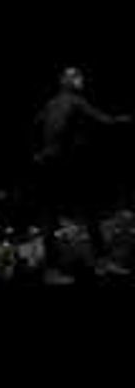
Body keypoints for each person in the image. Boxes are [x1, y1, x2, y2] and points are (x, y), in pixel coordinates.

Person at [34, 66, 131, 283]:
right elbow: (105, 122)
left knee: (51, 216)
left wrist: (40, 153)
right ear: (69, 81)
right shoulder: (76, 101)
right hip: (65, 166)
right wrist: (125, 120)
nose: (82, 82)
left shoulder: (50, 104)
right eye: (78, 78)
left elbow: (37, 125)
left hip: (47, 165)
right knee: (89, 210)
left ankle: (51, 270)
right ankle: (101, 262)